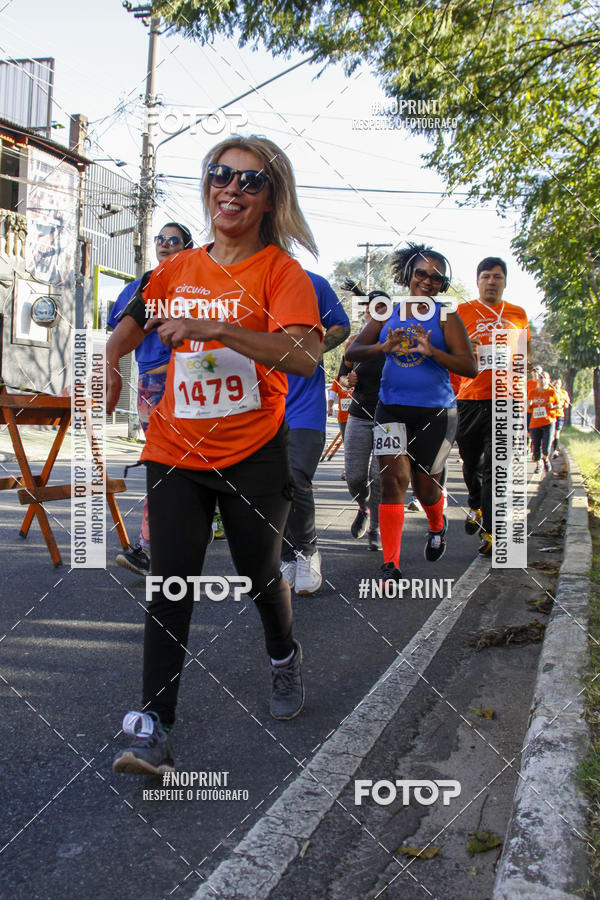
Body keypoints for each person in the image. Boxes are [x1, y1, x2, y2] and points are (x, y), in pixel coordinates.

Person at [107, 135, 322, 774]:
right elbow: (127, 328)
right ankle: (153, 725)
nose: (231, 187)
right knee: (171, 581)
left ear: (269, 198)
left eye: (249, 181)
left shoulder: (281, 274)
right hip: (175, 448)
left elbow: (305, 356)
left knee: (260, 575)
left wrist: (216, 328)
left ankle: (283, 656)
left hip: (253, 451)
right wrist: (110, 363)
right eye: (219, 174)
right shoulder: (174, 270)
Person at [346, 245, 476, 581]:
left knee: (425, 486)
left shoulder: (446, 317)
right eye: (421, 273)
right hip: (390, 408)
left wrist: (432, 351)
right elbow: (354, 351)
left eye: (436, 277)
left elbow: (469, 366)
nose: (428, 281)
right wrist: (383, 347)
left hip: (436, 411)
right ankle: (391, 564)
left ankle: (437, 524)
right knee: (393, 481)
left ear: (442, 284)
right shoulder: (386, 310)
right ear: (408, 275)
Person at [108, 222, 194, 575]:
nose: (165, 245)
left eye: (174, 241)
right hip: (153, 383)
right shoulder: (138, 286)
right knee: (165, 464)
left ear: (186, 248)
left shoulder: (194, 286)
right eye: (160, 239)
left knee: (182, 463)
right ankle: (151, 546)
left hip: (190, 380)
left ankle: (164, 541)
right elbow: (120, 335)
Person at [281, 273, 350, 595]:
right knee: (267, 486)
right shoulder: (241, 284)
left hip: (303, 407)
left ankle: (307, 551)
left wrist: (313, 352)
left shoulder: (310, 284)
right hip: (259, 405)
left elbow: (341, 325)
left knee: (295, 476)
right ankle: (285, 557)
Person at [456, 257, 530, 555]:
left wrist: (522, 369)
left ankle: (492, 533)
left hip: (506, 398)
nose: (491, 281)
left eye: (497, 277)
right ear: (477, 281)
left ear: (505, 281)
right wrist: (466, 346)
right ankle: (476, 503)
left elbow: (526, 357)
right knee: (470, 460)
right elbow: (451, 352)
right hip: (470, 398)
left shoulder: (518, 314)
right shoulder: (462, 312)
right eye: (486, 276)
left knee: (496, 467)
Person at [338, 290, 389, 551]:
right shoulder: (356, 343)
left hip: (389, 418)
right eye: (370, 309)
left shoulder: (397, 342)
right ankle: (363, 506)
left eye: (381, 308)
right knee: (356, 477)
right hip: (359, 416)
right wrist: (349, 380)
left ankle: (376, 530)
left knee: (379, 477)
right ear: (366, 313)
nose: (374, 313)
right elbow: (342, 378)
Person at [529, 370, 560, 473]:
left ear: (548, 380)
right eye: (541, 377)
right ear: (538, 379)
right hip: (535, 423)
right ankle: (539, 465)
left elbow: (559, 405)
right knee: (536, 447)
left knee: (546, 447)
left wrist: (553, 406)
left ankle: (546, 458)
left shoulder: (551, 392)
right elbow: (528, 408)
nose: (542, 380)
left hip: (548, 422)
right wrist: (529, 404)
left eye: (544, 378)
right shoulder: (532, 392)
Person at [552, 377, 570, 457]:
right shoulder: (551, 392)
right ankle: (553, 446)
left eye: (559, 383)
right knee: (551, 433)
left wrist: (564, 404)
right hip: (551, 415)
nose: (557, 385)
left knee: (557, 432)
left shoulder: (563, 393)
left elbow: (566, 405)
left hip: (559, 414)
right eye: (556, 383)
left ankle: (555, 450)